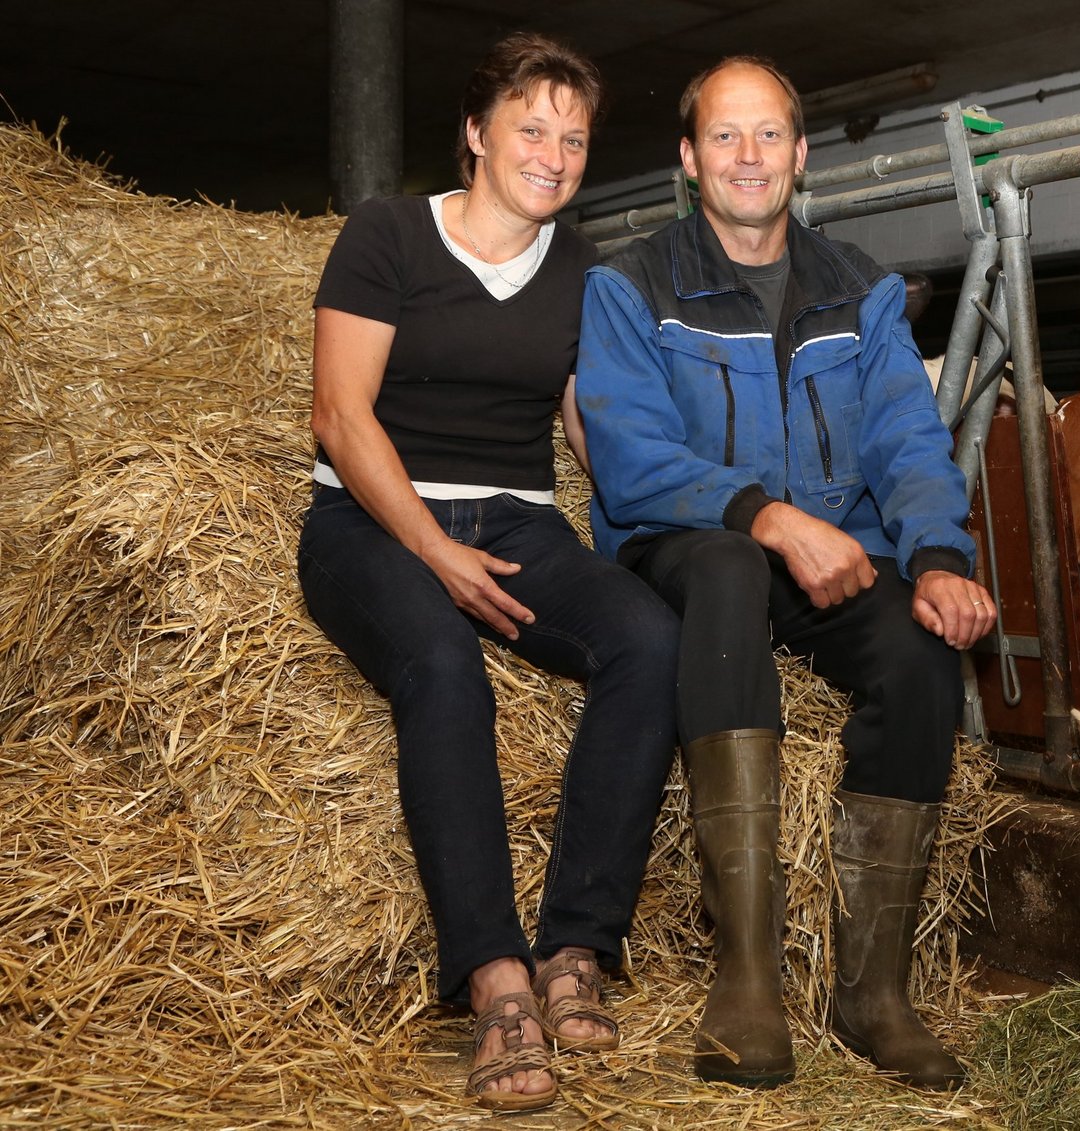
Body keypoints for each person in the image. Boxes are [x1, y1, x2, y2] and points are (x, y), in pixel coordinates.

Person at [574, 56, 995, 1090]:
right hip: (686, 538)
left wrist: (938, 559)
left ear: (800, 157)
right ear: (687, 160)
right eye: (724, 137)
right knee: (725, 568)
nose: (747, 157)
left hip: (826, 549)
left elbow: (904, 438)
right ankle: (746, 979)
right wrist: (769, 519)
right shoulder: (630, 285)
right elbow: (628, 452)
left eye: (768, 136)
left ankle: (872, 990)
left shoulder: (860, 289)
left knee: (915, 650)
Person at [297, 33, 679, 1113]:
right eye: (531, 128)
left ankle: (574, 948)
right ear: (474, 134)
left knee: (647, 642)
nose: (554, 155)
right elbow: (338, 413)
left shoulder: (579, 271)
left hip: (518, 521)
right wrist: (433, 551)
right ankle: (495, 978)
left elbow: (593, 432)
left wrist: (678, 528)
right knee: (442, 666)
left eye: (573, 138)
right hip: (369, 521)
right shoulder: (385, 236)